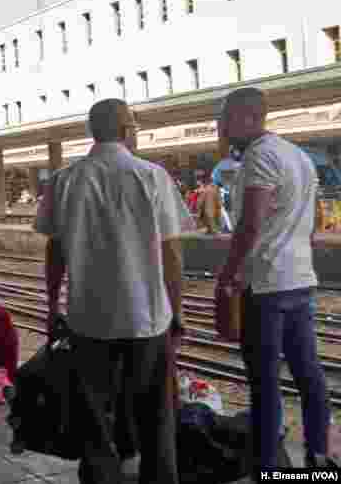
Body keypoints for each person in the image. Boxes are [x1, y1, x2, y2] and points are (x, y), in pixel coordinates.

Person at [35, 99, 189, 484]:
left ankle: (102, 476)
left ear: (93, 131)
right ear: (126, 130)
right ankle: (160, 476)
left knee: (94, 413)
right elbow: (171, 253)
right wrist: (178, 311)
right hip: (148, 317)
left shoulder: (64, 180)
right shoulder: (153, 176)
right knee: (156, 411)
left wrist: (53, 304)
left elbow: (55, 251)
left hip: (88, 319)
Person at [215, 87, 332, 473]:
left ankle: (267, 467)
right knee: (309, 374)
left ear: (248, 117)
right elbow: (311, 224)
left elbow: (250, 224)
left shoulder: (260, 156)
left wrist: (228, 274)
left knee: (264, 383)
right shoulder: (298, 156)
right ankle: (317, 457)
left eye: (225, 119)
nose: (221, 127)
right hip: (300, 279)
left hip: (266, 285)